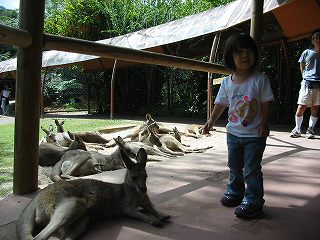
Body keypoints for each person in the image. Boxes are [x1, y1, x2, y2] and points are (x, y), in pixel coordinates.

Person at [202, 33, 274, 219]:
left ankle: (253, 202)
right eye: (239, 52)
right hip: (233, 134)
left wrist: (264, 124)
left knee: (251, 168)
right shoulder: (227, 82)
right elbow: (220, 104)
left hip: (254, 135)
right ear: (230, 57)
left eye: (249, 51)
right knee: (234, 166)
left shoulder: (260, 79)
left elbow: (266, 102)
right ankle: (235, 192)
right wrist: (211, 121)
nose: (245, 56)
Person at [290, 31, 320, 139]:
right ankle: (297, 129)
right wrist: (304, 75)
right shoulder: (306, 52)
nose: (318, 40)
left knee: (315, 108)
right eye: (316, 38)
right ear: (313, 40)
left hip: (319, 85)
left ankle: (310, 129)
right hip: (307, 83)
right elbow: (301, 64)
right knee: (301, 106)